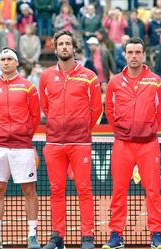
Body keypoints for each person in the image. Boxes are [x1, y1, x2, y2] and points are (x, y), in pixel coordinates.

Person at [39, 30, 102, 249]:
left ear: (74, 48)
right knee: (56, 190)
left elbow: (96, 108)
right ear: (55, 49)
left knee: (84, 189)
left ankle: (87, 236)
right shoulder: (46, 76)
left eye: (68, 44)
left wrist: (82, 128)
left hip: (80, 143)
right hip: (54, 142)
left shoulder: (89, 76)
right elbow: (45, 106)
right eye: (61, 44)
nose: (64, 47)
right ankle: (57, 236)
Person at [103, 37, 161, 249]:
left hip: (149, 144)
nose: (134, 56)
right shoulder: (114, 83)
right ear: (125, 54)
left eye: (138, 52)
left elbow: (160, 112)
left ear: (144, 55)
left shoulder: (155, 80)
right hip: (122, 144)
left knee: (153, 190)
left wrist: (148, 130)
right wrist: (122, 131)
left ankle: (156, 234)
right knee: (119, 190)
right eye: (130, 52)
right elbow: (110, 113)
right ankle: (116, 234)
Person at [0, 47, 41, 249]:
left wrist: (23, 135)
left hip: (22, 146)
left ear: (17, 63)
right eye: (3, 59)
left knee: (29, 189)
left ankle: (32, 235)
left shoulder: (28, 87)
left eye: (9, 59)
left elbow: (34, 117)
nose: (6, 62)